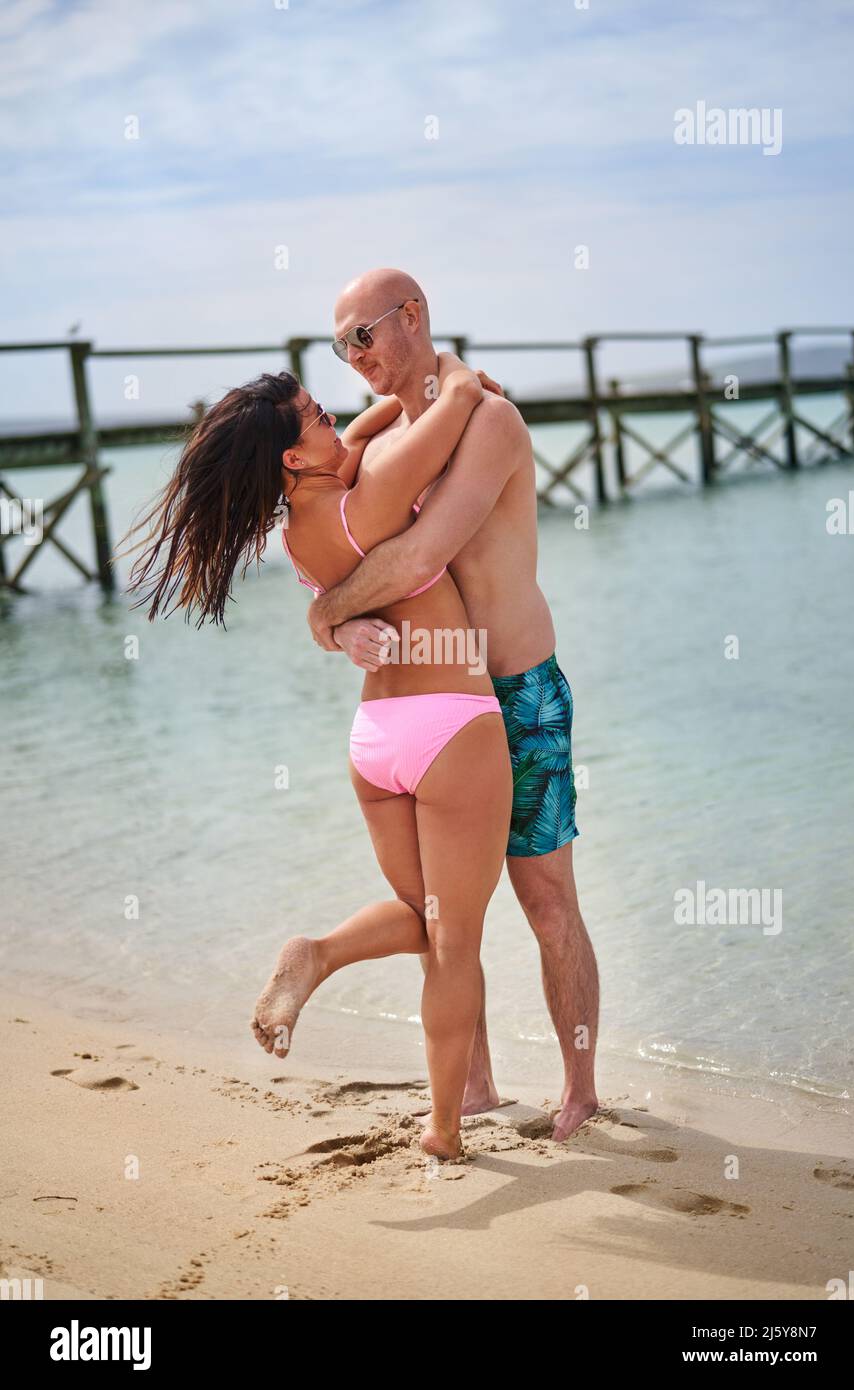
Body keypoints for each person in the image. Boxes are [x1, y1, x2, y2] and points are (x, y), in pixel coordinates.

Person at [124, 352, 512, 1160]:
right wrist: (453, 375)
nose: (339, 417)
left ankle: (320, 952)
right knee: (453, 944)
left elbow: (372, 432)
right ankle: (444, 1127)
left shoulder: (303, 536)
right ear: (294, 458)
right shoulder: (369, 497)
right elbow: (456, 407)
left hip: (376, 745)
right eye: (318, 418)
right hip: (451, 726)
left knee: (427, 923)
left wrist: (329, 622)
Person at [307, 268, 600, 1140]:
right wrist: (331, 628)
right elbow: (319, 511)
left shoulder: (488, 420)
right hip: (437, 697)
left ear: (412, 317)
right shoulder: (390, 434)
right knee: (444, 912)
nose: (352, 356)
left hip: (516, 692)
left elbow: (419, 552)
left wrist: (324, 615)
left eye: (363, 334)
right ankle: (470, 1087)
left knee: (546, 902)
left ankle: (579, 1086)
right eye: (339, 344)